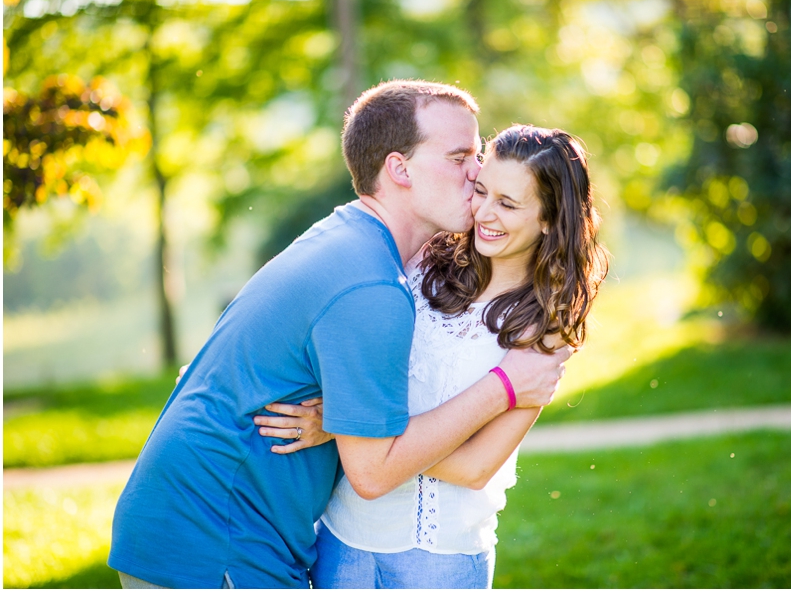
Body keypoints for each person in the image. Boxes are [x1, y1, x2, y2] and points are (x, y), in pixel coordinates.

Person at [108, 81, 573, 589]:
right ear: (399, 169)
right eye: (460, 156)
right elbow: (372, 472)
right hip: (217, 542)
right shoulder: (374, 284)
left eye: (477, 155)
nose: (476, 172)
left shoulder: (345, 240)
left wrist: (349, 424)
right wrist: (504, 387)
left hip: (210, 531)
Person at [257, 125, 608, 588]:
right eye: (481, 190)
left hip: (441, 561)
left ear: (549, 218)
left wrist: (348, 430)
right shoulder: (422, 261)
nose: (484, 212)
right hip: (339, 540)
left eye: (507, 204)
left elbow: (475, 466)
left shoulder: (544, 327)